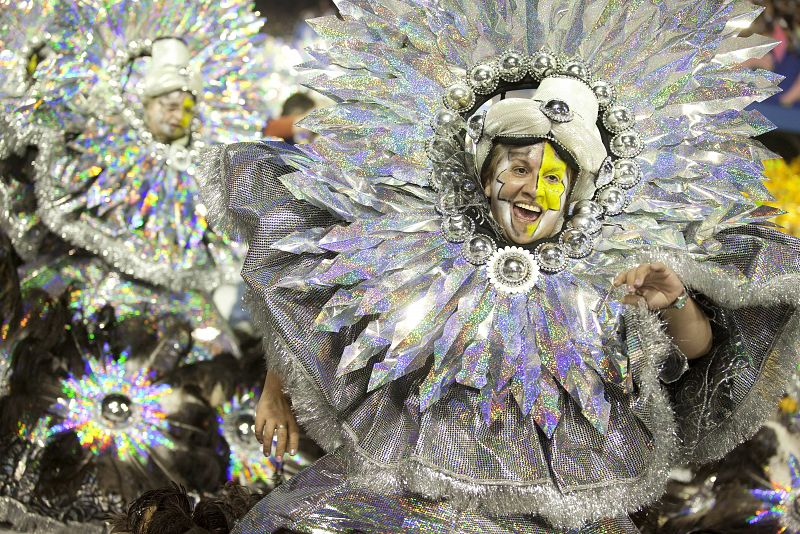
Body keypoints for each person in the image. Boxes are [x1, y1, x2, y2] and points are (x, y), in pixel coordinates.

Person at [201, 0, 800, 531]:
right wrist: (276, 392)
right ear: (485, 175)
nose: (532, 189)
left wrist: (675, 302)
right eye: (517, 168)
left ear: (576, 195)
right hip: (410, 499)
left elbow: (697, 356)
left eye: (553, 178)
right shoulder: (410, 241)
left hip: (551, 513)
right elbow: (309, 300)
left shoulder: (621, 272)